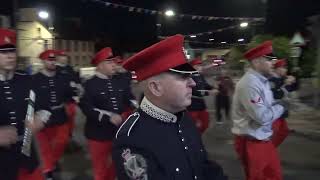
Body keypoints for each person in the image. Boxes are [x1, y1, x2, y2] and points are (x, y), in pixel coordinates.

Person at [113, 34, 227, 180]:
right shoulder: (132, 140)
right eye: (183, 77)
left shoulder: (183, 116)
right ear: (156, 88)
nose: (192, 83)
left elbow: (203, 165)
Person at [231, 41, 287, 180]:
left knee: (275, 176)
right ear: (256, 62)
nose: (273, 63)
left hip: (263, 140)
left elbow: (268, 106)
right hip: (251, 142)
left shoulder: (263, 81)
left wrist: (278, 105)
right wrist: (281, 107)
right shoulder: (250, 84)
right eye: (269, 60)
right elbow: (262, 116)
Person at [0, 28, 49, 180]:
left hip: (27, 156)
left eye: (12, 51)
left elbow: (44, 107)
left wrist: (40, 119)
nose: (10, 56)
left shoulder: (26, 80)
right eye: (3, 52)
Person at [79, 47, 135, 180]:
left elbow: (130, 98)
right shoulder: (89, 84)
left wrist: (138, 108)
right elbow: (87, 108)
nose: (114, 65)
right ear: (99, 65)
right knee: (100, 168)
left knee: (119, 164)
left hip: (118, 132)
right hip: (98, 134)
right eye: (110, 62)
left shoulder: (120, 81)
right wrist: (108, 116)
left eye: (114, 62)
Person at [32, 50, 75, 179]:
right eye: (49, 60)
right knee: (45, 147)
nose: (52, 62)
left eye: (53, 60)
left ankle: (51, 161)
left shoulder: (63, 77)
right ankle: (48, 170)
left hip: (60, 115)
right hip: (41, 119)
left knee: (62, 141)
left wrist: (75, 96)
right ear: (43, 61)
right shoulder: (34, 79)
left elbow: (69, 95)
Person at [269, 59, 295, 147]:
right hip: (274, 113)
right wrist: (286, 85)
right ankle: (268, 150)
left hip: (281, 112)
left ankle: (270, 148)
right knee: (272, 134)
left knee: (283, 132)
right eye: (283, 68)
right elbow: (276, 95)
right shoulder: (271, 80)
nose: (285, 70)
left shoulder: (282, 79)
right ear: (277, 69)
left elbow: (293, 87)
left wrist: (293, 79)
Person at [187, 58, 216, 134]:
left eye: (200, 65)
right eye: (197, 65)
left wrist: (213, 87)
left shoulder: (200, 75)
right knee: (193, 126)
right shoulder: (189, 77)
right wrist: (208, 93)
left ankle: (196, 137)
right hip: (192, 106)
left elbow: (205, 85)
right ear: (193, 67)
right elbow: (196, 91)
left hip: (201, 105)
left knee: (205, 124)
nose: (200, 67)